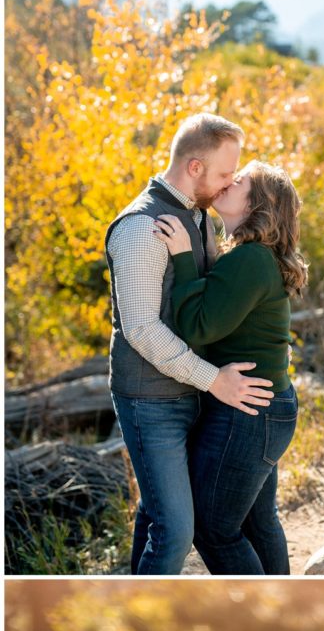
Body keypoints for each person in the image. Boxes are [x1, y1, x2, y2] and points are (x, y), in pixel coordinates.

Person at [103, 113, 274, 575]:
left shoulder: (197, 215)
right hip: (149, 400)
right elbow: (140, 328)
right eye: (223, 174)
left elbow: (208, 299)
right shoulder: (141, 228)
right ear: (194, 168)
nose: (228, 185)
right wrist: (213, 379)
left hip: (192, 394)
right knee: (178, 530)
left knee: (158, 513)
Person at [153, 161, 305, 576]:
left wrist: (183, 257)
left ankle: (260, 618)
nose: (229, 180)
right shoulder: (249, 257)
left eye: (240, 181)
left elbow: (198, 325)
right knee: (258, 521)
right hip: (264, 405)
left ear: (259, 204)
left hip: (248, 413)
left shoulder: (251, 260)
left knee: (213, 528)